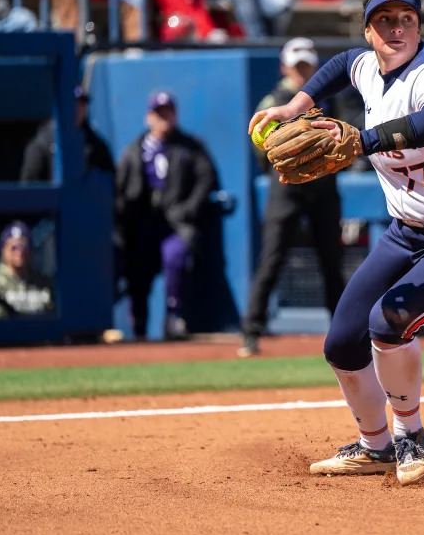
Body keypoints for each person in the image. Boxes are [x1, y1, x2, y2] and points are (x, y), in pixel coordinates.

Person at [249, 0, 424, 485]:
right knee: (342, 342)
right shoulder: (367, 66)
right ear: (369, 29)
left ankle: (410, 437)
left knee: (388, 322)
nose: (397, 29)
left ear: (419, 25)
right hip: (406, 232)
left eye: (406, 19)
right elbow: (340, 64)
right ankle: (375, 446)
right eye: (384, 21)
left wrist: (364, 141)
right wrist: (293, 107)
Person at [240, 38, 346, 357]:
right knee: (272, 258)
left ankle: (343, 331)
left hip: (323, 187)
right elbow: (260, 151)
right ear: (284, 66)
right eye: (297, 65)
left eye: (307, 65)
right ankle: (250, 332)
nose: (302, 71)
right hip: (286, 189)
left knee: (331, 261)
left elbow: (345, 134)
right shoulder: (275, 100)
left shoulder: (329, 98)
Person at [115, 90, 217, 340]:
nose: (164, 118)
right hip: (144, 224)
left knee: (176, 256)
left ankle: (174, 317)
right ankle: (139, 327)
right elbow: (120, 189)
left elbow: (206, 179)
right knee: (138, 271)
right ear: (148, 116)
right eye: (158, 113)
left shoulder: (189, 147)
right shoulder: (135, 150)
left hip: (177, 224)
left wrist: (188, 210)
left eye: (168, 112)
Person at [21, 87, 116, 182]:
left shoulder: (96, 145)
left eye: (82, 104)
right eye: (74, 104)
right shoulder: (42, 143)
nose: (78, 109)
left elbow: (110, 181)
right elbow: (30, 184)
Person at [0, 221, 55, 316]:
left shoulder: (44, 283)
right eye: (14, 247)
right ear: (3, 250)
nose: (19, 251)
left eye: (24, 246)